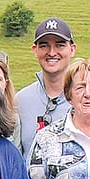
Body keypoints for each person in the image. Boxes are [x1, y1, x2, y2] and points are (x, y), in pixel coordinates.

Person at [16, 16, 76, 158]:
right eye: (44, 45)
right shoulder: (20, 101)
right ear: (35, 50)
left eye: (60, 45)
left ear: (72, 49)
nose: (52, 52)